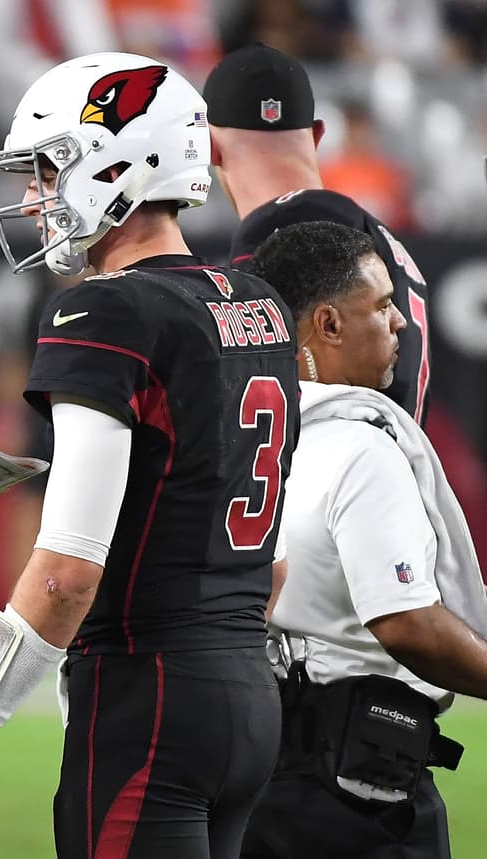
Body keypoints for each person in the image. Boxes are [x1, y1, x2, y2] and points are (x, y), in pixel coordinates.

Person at [0, 52, 301, 858]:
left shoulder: (104, 310)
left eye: (49, 170)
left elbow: (65, 573)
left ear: (120, 165)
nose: (30, 197)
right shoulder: (259, 303)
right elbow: (277, 563)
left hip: (147, 693)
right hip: (248, 694)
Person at [240, 220, 487, 859]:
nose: (399, 322)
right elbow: (404, 622)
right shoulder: (360, 445)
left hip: (252, 767)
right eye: (380, 306)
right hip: (353, 787)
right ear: (327, 324)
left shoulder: (237, 433)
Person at [204, 42, 432, 423]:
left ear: (208, 147)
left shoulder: (290, 233)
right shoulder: (366, 231)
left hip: (340, 468)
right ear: (317, 134)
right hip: (382, 462)